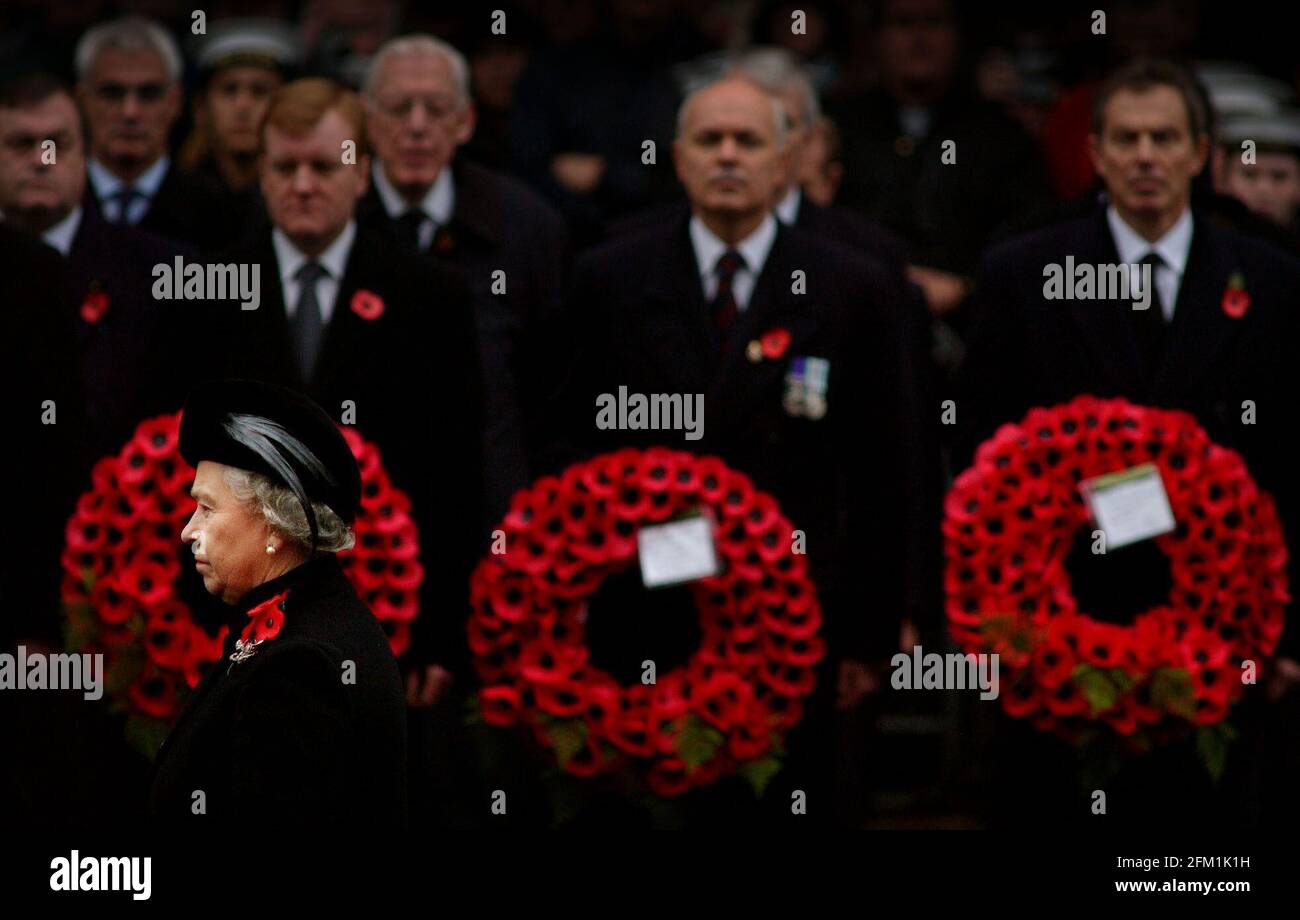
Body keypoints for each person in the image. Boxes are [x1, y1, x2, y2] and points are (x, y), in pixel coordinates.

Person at [550, 74, 921, 825]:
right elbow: (567, 449)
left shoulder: (854, 287)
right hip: (644, 617)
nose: (728, 156)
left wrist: (872, 632)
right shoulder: (607, 277)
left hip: (800, 624)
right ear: (679, 159)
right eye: (710, 141)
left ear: (786, 163)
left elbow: (888, 468)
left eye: (748, 141)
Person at [959, 57, 1300, 827]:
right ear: (1098, 153)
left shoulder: (1272, 283)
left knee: (1198, 849)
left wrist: (1286, 632)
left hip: (1226, 632)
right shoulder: (1023, 273)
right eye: (1128, 138)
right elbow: (980, 454)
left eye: (1165, 138)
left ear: (1201, 154)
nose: (1146, 156)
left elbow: (1289, 460)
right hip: (1063, 627)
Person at [159, 76, 485, 821]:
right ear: (260, 171)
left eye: (324, 166)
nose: (303, 184)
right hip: (226, 614)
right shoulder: (205, 287)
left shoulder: (428, 292)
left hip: (379, 623)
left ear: (362, 171)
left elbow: (453, 473)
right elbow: (170, 470)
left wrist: (441, 635)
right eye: (283, 167)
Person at [148, 378, 406, 821]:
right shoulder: (308, 615)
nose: (188, 531)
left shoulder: (300, 667)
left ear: (272, 524)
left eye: (207, 509)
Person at [357, 34, 569, 534]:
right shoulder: (333, 218)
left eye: (436, 108)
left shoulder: (527, 226)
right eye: (398, 107)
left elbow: (554, 391)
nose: (416, 127)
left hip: (488, 515)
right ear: (367, 121)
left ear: (466, 121)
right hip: (354, 517)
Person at [0, 72, 188, 457]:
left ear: (86, 154)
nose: (41, 160)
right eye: (21, 144)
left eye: (58, 144)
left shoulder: (160, 272)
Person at [75, 15, 237, 250]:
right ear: (82, 100)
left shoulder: (219, 211)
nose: (130, 112)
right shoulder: (54, 204)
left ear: (175, 102)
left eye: (149, 94)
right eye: (112, 93)